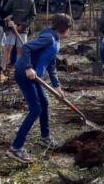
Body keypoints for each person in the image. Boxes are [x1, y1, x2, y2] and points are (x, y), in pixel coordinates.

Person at [6, 14, 74, 163]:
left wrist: (57, 87)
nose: (70, 31)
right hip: (25, 74)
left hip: (35, 76)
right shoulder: (49, 38)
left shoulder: (55, 40)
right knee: (36, 109)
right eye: (69, 28)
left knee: (44, 104)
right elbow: (26, 48)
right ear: (64, 28)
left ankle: (45, 137)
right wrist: (29, 68)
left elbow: (51, 64)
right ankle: (15, 148)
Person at [3, 0, 36, 72]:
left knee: (20, 49)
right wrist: (8, 20)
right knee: (8, 47)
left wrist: (23, 25)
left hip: (23, 29)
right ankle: (3, 68)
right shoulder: (12, 0)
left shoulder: (31, 2)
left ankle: (18, 69)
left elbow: (32, 16)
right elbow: (4, 12)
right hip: (11, 28)